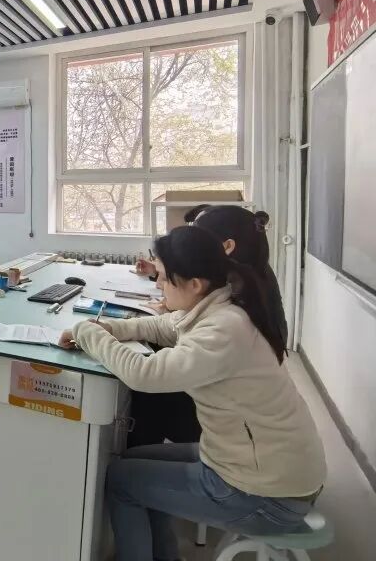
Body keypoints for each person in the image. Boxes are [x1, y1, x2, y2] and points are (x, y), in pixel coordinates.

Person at [61, 226, 326, 561]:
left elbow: (144, 373)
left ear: (194, 284)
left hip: (266, 493)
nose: (157, 284)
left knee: (121, 481)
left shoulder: (224, 329)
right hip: (258, 466)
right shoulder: (221, 308)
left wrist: (87, 332)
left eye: (163, 277)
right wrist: (109, 328)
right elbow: (162, 326)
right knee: (132, 459)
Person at [128, 205, 286, 448]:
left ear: (227, 246)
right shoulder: (249, 274)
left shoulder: (237, 293)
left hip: (232, 419)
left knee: (147, 384)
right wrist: (159, 274)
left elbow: (204, 331)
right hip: (240, 398)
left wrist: (173, 311)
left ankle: (141, 454)